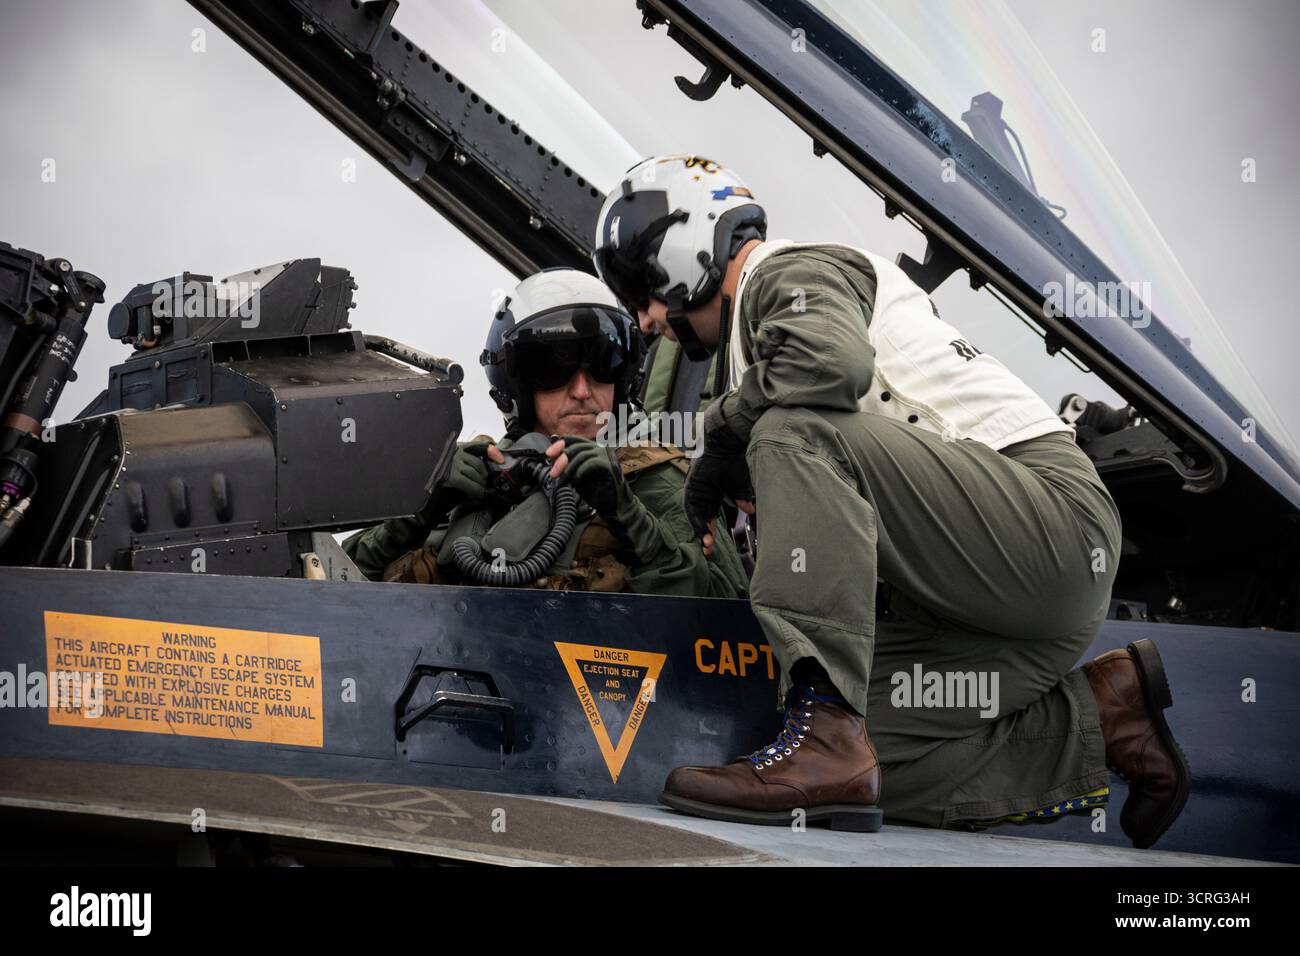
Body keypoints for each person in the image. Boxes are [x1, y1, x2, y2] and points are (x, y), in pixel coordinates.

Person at [590, 154, 1188, 847]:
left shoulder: (790, 271)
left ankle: (827, 741)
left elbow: (829, 367)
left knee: (794, 431)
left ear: (678, 252)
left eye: (642, 294)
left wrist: (725, 429)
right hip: (984, 601)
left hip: (1050, 526)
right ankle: (1106, 715)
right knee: (867, 768)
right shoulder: (760, 342)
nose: (645, 321)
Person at [342, 267, 748, 599]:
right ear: (517, 385)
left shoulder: (660, 480)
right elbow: (328, 587)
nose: (582, 391)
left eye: (603, 365)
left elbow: (730, 628)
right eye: (553, 371)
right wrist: (420, 511)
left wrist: (628, 515)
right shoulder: (470, 478)